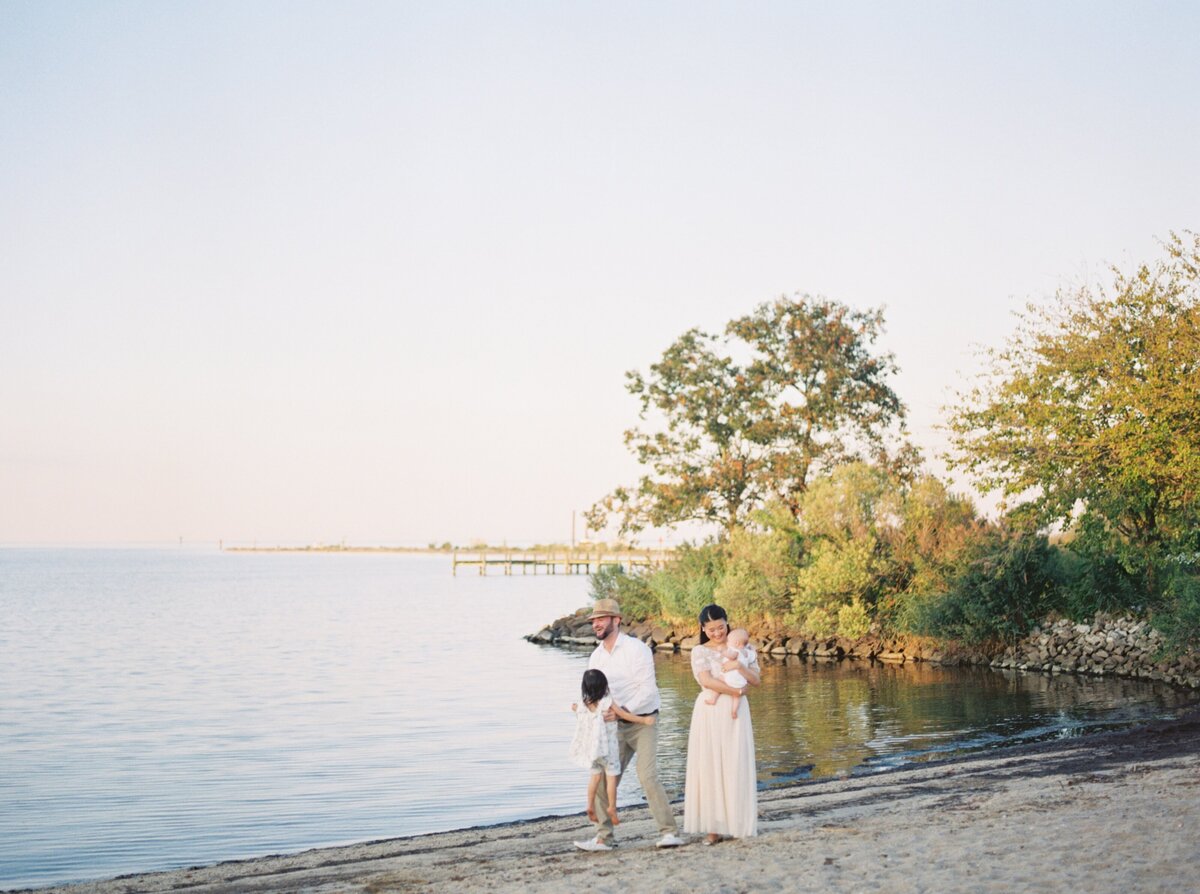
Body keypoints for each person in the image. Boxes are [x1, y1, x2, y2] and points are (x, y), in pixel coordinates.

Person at [573, 598, 685, 852]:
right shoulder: (596, 656)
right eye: (593, 620)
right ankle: (604, 838)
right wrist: (587, 711)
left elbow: (647, 691)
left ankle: (669, 833)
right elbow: (595, 694)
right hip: (612, 728)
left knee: (647, 776)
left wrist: (621, 712)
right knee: (601, 778)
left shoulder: (636, 649)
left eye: (601, 619)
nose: (596, 624)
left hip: (642, 722)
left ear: (616, 620)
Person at [683, 604, 760, 845]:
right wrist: (736, 690)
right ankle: (713, 828)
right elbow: (706, 680)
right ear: (703, 629)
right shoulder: (699, 651)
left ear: (728, 623)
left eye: (721, 627)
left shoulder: (744, 648)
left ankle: (738, 823)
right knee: (710, 765)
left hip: (736, 713)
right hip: (710, 710)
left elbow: (756, 680)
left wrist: (740, 667)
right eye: (711, 629)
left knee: (735, 762)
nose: (717, 633)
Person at [568, 668, 657, 826]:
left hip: (593, 752)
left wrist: (574, 707)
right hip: (609, 751)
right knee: (611, 779)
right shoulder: (607, 702)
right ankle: (612, 808)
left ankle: (589, 806)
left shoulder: (584, 704)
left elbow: (577, 711)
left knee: (594, 778)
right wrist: (644, 721)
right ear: (604, 685)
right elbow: (625, 715)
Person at [702, 627, 753, 719]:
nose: (727, 643)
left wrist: (722, 651)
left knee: (719, 681)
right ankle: (734, 711)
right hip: (741, 681)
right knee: (736, 697)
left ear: (736, 643)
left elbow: (731, 656)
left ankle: (713, 698)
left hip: (731, 678)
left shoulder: (736, 651)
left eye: (728, 641)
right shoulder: (747, 652)